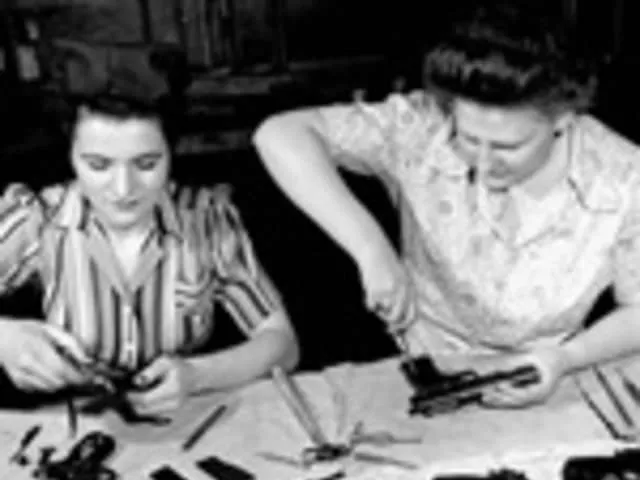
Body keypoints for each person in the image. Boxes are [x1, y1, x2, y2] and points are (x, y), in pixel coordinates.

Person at [253, 0, 640, 409]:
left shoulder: (625, 177)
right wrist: (370, 247)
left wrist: (563, 359)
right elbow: (278, 135)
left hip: (553, 378)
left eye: (508, 147)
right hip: (425, 368)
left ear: (563, 119)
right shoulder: (421, 127)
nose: (483, 164)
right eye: (468, 139)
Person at [0, 36, 298, 417]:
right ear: (71, 157)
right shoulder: (39, 219)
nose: (123, 190)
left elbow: (282, 344)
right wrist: (5, 339)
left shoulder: (205, 221)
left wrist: (196, 375)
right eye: (98, 165)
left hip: (186, 424)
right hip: (76, 427)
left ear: (171, 154)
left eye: (146, 164)